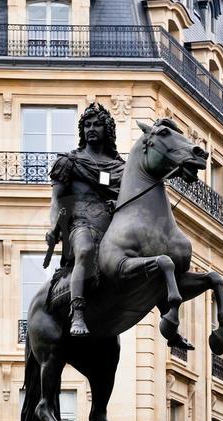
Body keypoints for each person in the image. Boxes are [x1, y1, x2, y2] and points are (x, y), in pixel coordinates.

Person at [45, 102, 125, 337]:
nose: (91, 128)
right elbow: (57, 199)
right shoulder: (69, 162)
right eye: (87, 125)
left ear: (107, 130)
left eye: (97, 124)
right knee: (86, 249)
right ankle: (77, 313)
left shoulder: (118, 167)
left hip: (112, 224)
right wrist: (54, 227)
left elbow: (127, 198)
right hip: (82, 221)